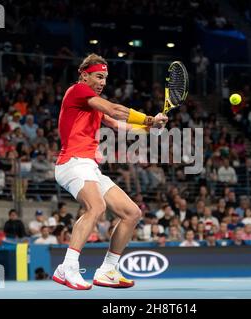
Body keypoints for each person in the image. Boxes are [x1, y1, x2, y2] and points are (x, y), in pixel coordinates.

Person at [52, 54, 168, 290]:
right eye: (98, 76)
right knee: (97, 207)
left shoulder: (94, 104)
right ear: (84, 75)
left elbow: (119, 125)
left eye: (105, 77)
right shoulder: (77, 91)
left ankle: (108, 270)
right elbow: (116, 110)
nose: (103, 82)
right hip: (72, 162)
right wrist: (145, 117)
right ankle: (68, 267)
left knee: (131, 213)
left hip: (89, 166)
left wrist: (150, 125)